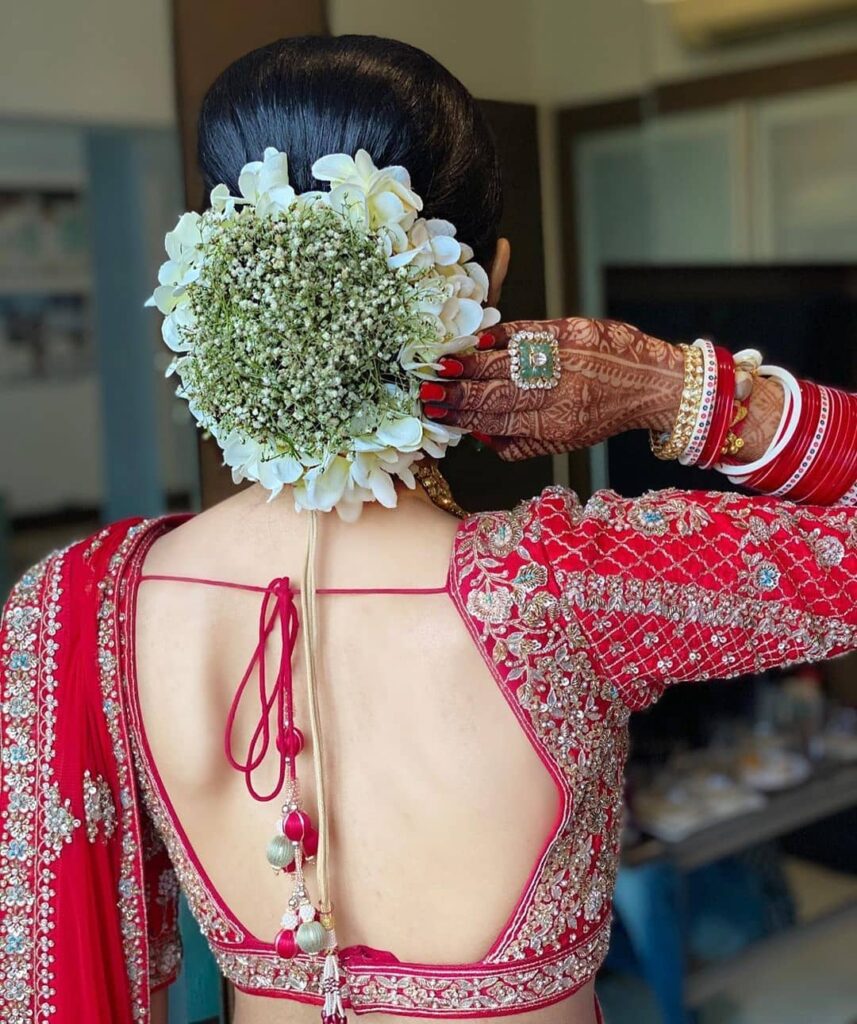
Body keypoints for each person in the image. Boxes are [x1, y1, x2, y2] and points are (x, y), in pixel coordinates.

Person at [0, 34, 854, 1024]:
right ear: (486, 280)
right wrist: (674, 390)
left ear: (225, 273)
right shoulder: (563, 588)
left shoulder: (77, 601)